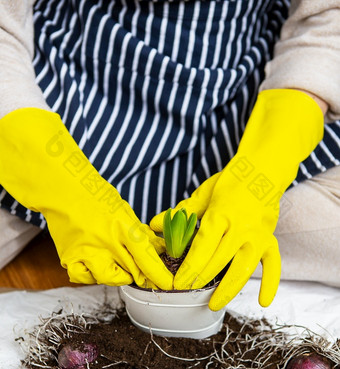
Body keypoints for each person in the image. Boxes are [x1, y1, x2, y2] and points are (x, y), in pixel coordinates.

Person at [0, 0, 339, 310]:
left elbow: (327, 19)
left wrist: (261, 176)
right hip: (66, 93)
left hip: (241, 100)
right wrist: (63, 190)